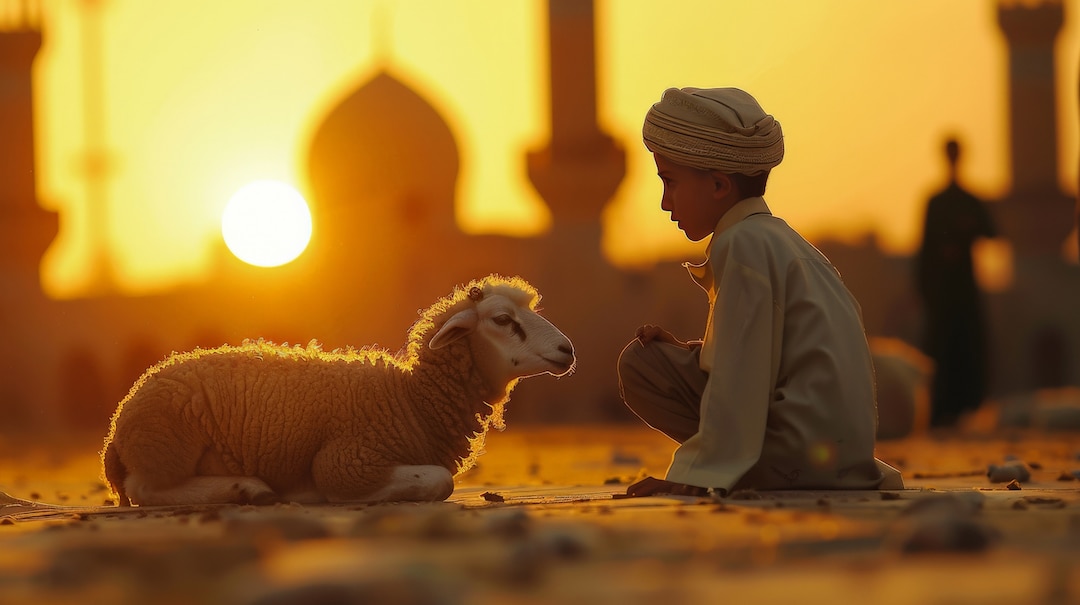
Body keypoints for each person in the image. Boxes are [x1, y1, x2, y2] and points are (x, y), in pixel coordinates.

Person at [617, 87, 902, 497]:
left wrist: (696, 480)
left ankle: (737, 468)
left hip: (797, 459)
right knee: (659, 360)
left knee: (639, 365)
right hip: (842, 459)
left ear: (718, 186)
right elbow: (776, 354)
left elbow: (742, 374)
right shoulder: (786, 243)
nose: (665, 203)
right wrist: (695, 351)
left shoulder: (743, 245)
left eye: (671, 182)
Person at [915, 138, 997, 427]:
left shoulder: (969, 201)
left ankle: (965, 407)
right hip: (942, 292)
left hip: (963, 289)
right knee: (942, 348)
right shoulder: (937, 202)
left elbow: (991, 232)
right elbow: (924, 249)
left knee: (966, 347)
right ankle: (942, 410)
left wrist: (965, 231)